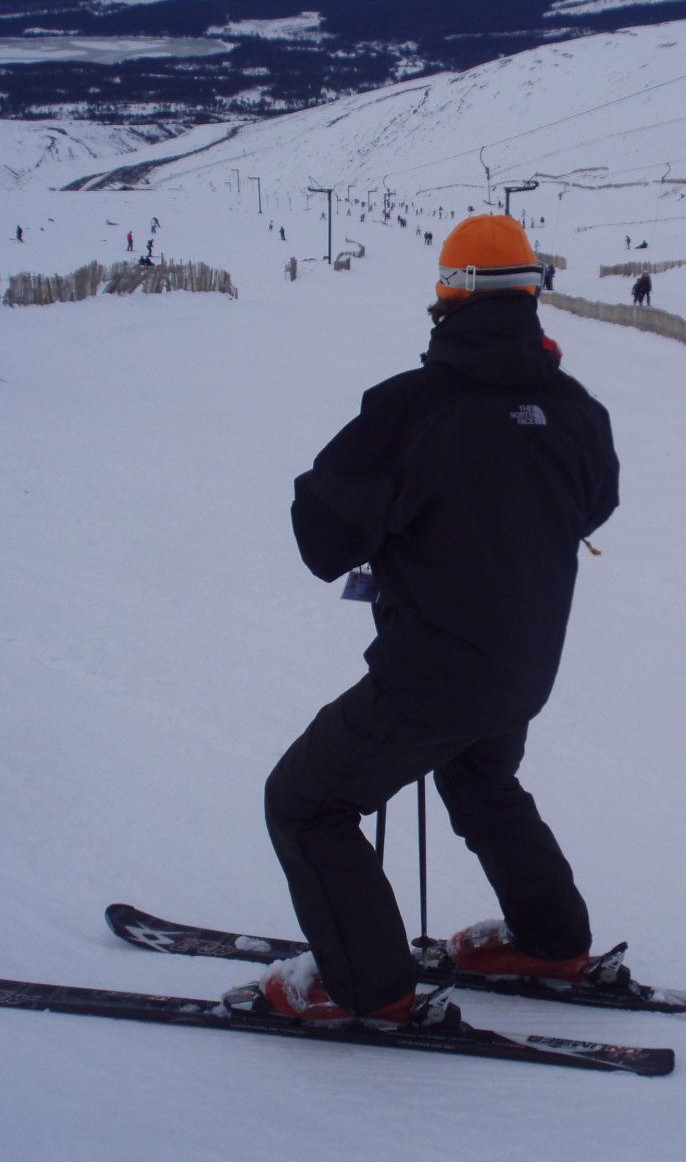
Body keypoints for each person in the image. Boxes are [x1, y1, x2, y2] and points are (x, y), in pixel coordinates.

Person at [260, 214, 620, 1027]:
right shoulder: (575, 409)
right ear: (531, 292)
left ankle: (366, 986)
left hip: (432, 672)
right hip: (523, 665)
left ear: (448, 294)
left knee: (305, 805)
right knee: (480, 777)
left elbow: (322, 536)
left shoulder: (410, 409)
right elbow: (594, 505)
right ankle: (552, 940)